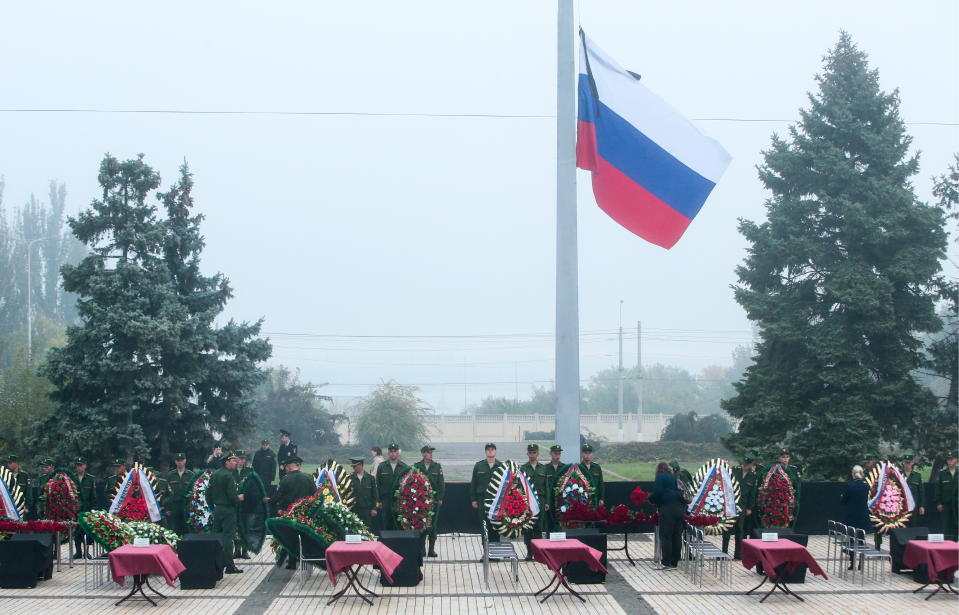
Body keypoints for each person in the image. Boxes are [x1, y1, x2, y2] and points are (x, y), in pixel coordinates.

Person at [273, 455, 317, 570]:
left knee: (291, 538)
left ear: (288, 467)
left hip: (290, 513)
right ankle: (305, 561)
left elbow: (279, 496)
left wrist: (275, 505)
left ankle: (292, 562)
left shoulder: (286, 479)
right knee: (304, 537)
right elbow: (315, 496)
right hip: (306, 513)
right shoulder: (308, 478)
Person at [207, 451, 244, 574]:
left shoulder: (215, 474)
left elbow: (208, 494)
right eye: (233, 460)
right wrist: (239, 498)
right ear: (227, 462)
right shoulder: (228, 476)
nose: (235, 462)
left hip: (218, 509)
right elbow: (232, 496)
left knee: (216, 536)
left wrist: (212, 508)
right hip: (228, 510)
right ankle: (229, 566)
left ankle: (214, 563)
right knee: (228, 538)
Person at [724, 452, 759, 559]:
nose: (746, 466)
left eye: (748, 464)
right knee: (727, 529)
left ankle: (738, 554)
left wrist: (749, 507)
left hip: (743, 506)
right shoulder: (734, 470)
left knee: (740, 530)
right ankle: (724, 552)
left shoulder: (753, 475)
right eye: (745, 463)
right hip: (731, 504)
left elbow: (753, 494)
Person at [650, 461, 684, 571]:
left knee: (666, 536)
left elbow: (658, 491)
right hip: (679, 508)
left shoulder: (660, 477)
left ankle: (665, 563)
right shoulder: (672, 477)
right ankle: (675, 562)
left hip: (668, 509)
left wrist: (651, 499)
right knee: (676, 535)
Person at [413, 445, 445, 557]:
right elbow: (413, 483)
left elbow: (441, 484)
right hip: (420, 502)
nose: (430, 454)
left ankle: (431, 549)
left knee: (433, 525)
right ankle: (422, 550)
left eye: (431, 452)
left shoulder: (437, 466)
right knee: (421, 525)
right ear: (422, 454)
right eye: (427, 452)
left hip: (433, 501)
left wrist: (440, 498)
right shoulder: (417, 466)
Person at [471, 442, 503, 544]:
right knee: (484, 526)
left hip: (496, 500)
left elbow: (506, 485)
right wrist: (473, 499)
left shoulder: (501, 466)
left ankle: (496, 553)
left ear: (495, 451)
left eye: (492, 449)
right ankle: (486, 554)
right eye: (488, 449)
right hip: (482, 500)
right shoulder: (479, 465)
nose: (490, 451)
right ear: (485, 452)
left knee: (496, 526)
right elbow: (474, 484)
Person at [840, 465, 871, 570]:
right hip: (863, 515)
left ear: (853, 474)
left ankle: (852, 563)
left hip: (852, 516)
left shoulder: (849, 486)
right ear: (862, 474)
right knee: (862, 540)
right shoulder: (866, 486)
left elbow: (843, 500)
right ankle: (861, 564)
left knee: (852, 540)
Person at [520, 444, 548, 560]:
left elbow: (546, 486)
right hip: (528, 502)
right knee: (527, 528)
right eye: (530, 452)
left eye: (534, 452)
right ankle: (529, 552)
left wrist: (546, 502)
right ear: (527, 453)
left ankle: (538, 552)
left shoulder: (543, 468)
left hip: (540, 500)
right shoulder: (523, 468)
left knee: (538, 527)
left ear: (538, 453)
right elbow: (520, 486)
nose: (532, 454)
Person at [375, 443, 408, 531]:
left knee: (399, 523)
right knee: (387, 522)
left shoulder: (404, 467)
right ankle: (387, 543)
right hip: (385, 500)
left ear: (398, 453)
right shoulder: (382, 466)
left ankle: (399, 544)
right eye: (391, 451)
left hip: (399, 500)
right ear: (388, 453)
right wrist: (378, 500)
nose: (393, 453)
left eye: (395, 451)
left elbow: (407, 485)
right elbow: (378, 484)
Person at [163, 453, 194, 536]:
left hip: (186, 506)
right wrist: (167, 508)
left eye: (182, 460)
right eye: (178, 460)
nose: (180, 462)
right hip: (174, 506)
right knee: (174, 528)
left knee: (186, 528)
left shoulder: (191, 475)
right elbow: (166, 492)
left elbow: (194, 492)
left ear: (185, 461)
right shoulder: (170, 475)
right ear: (175, 462)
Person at [73, 457, 96, 558]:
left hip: (86, 509)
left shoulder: (90, 479)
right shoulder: (72, 478)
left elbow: (93, 496)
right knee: (76, 532)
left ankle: (86, 551)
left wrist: (93, 510)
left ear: (85, 466)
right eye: (77, 465)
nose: (78, 467)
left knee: (86, 531)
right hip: (75, 509)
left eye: (80, 465)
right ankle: (78, 552)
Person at [543, 445, 566, 534]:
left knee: (561, 523)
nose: (557, 456)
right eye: (555, 453)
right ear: (550, 454)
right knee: (549, 523)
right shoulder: (545, 468)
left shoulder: (564, 467)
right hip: (550, 500)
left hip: (561, 500)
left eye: (559, 454)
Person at [349, 457, 377, 530]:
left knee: (367, 530)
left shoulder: (370, 478)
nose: (354, 468)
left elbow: (375, 495)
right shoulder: (350, 478)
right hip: (354, 509)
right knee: (354, 530)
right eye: (353, 466)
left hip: (367, 510)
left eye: (355, 466)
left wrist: (374, 508)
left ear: (361, 465)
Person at [899, 454, 925, 527]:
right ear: (903, 463)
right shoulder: (899, 474)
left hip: (914, 504)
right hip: (902, 504)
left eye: (909, 463)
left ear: (912, 463)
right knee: (902, 525)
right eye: (906, 462)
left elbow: (921, 492)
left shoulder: (917, 475)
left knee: (914, 524)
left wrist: (922, 506)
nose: (907, 465)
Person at [937, 452, 958, 538]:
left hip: (957, 504)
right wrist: (938, 503)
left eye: (952, 459)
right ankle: (946, 544)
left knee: (956, 524)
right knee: (945, 525)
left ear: (957, 460)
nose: (950, 461)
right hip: (946, 504)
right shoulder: (942, 473)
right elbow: (938, 489)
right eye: (948, 459)